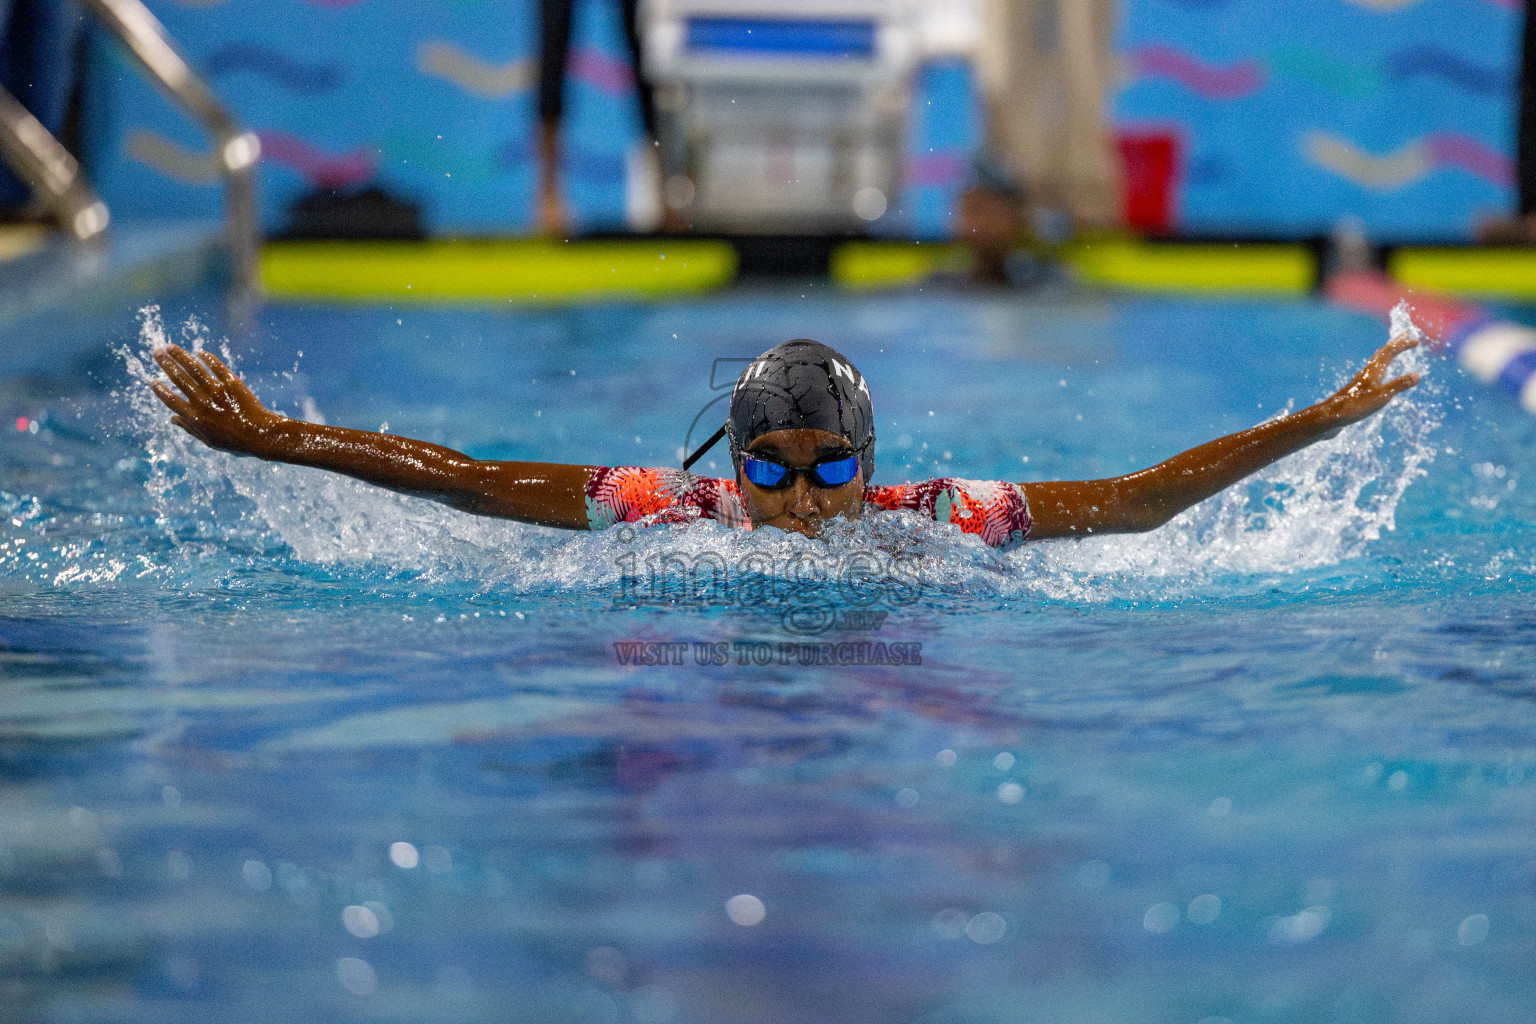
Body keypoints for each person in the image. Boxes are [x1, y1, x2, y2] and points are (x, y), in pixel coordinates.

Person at [149, 336, 1420, 548]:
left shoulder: (940, 519)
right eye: (770, 470)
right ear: (731, 464)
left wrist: (1317, 419)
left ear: (873, 464)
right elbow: (473, 480)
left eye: (828, 471)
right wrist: (280, 440)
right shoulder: (666, 510)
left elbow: (1141, 502)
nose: (805, 499)